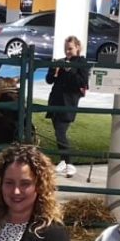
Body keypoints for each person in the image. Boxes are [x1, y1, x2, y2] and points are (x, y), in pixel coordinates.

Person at [45, 35, 89, 177]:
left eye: (70, 48)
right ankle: (63, 161)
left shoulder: (81, 63)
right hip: (55, 101)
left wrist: (70, 70)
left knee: (60, 132)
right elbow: (49, 80)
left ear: (77, 47)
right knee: (58, 133)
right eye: (66, 49)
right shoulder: (61, 62)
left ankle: (69, 163)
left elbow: (82, 83)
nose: (68, 52)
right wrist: (53, 70)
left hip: (68, 102)